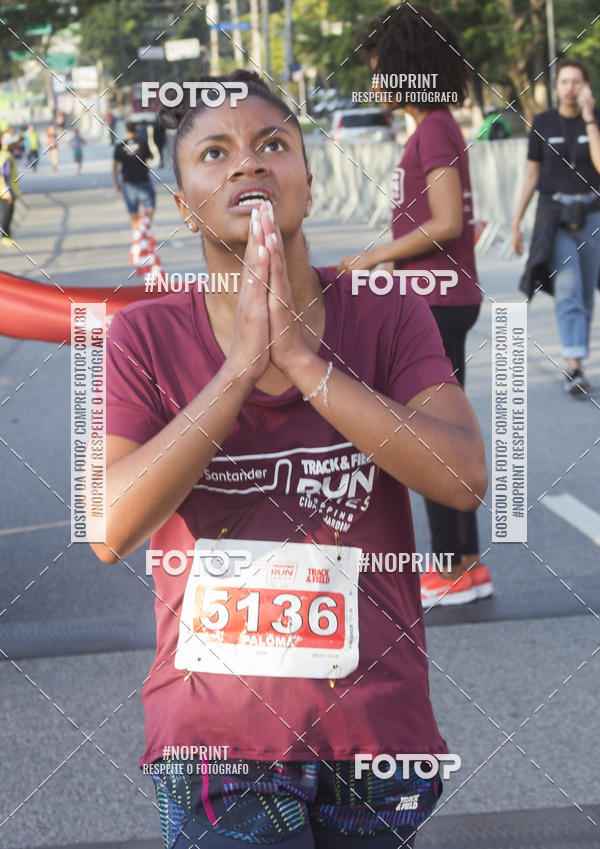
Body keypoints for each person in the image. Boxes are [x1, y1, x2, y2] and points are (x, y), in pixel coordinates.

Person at [89, 70, 487, 848]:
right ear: (183, 205)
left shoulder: (388, 311)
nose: (248, 164)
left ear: (307, 179)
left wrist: (306, 364)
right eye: (215, 153)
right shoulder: (144, 337)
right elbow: (108, 527)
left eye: (274, 144)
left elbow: (463, 476)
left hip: (377, 730)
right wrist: (238, 368)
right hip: (213, 734)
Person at [337, 4, 492, 608]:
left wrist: (373, 257)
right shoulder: (436, 127)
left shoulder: (433, 130)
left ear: (408, 69)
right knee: (445, 428)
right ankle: (469, 566)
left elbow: (447, 221)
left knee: (432, 436)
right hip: (443, 297)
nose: (374, 79)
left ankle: (451, 569)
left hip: (440, 298)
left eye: (380, 67)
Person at [513, 57, 600, 396]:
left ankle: (577, 357)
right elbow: (532, 175)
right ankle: (574, 366)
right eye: (564, 82)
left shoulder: (595, 118)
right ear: (556, 86)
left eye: (576, 82)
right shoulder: (543, 122)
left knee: (586, 292)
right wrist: (517, 222)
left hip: (592, 213)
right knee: (568, 288)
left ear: (586, 87)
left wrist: (590, 117)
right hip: (556, 217)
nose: (570, 89)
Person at [113, 121, 155, 228]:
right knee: (150, 206)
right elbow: (151, 157)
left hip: (128, 183)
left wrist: (116, 183)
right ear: (136, 131)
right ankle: (145, 226)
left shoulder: (119, 146)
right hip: (143, 180)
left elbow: (115, 166)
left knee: (133, 211)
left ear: (126, 131)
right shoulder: (142, 142)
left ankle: (136, 233)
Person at [0, 132, 21, 246]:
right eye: (14, 143)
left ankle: (6, 236)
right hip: (6, 192)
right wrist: (11, 193)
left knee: (6, 213)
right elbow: (6, 175)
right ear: (9, 144)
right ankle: (5, 237)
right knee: (7, 214)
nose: (16, 145)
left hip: (3, 190)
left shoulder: (4, 154)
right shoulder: (7, 157)